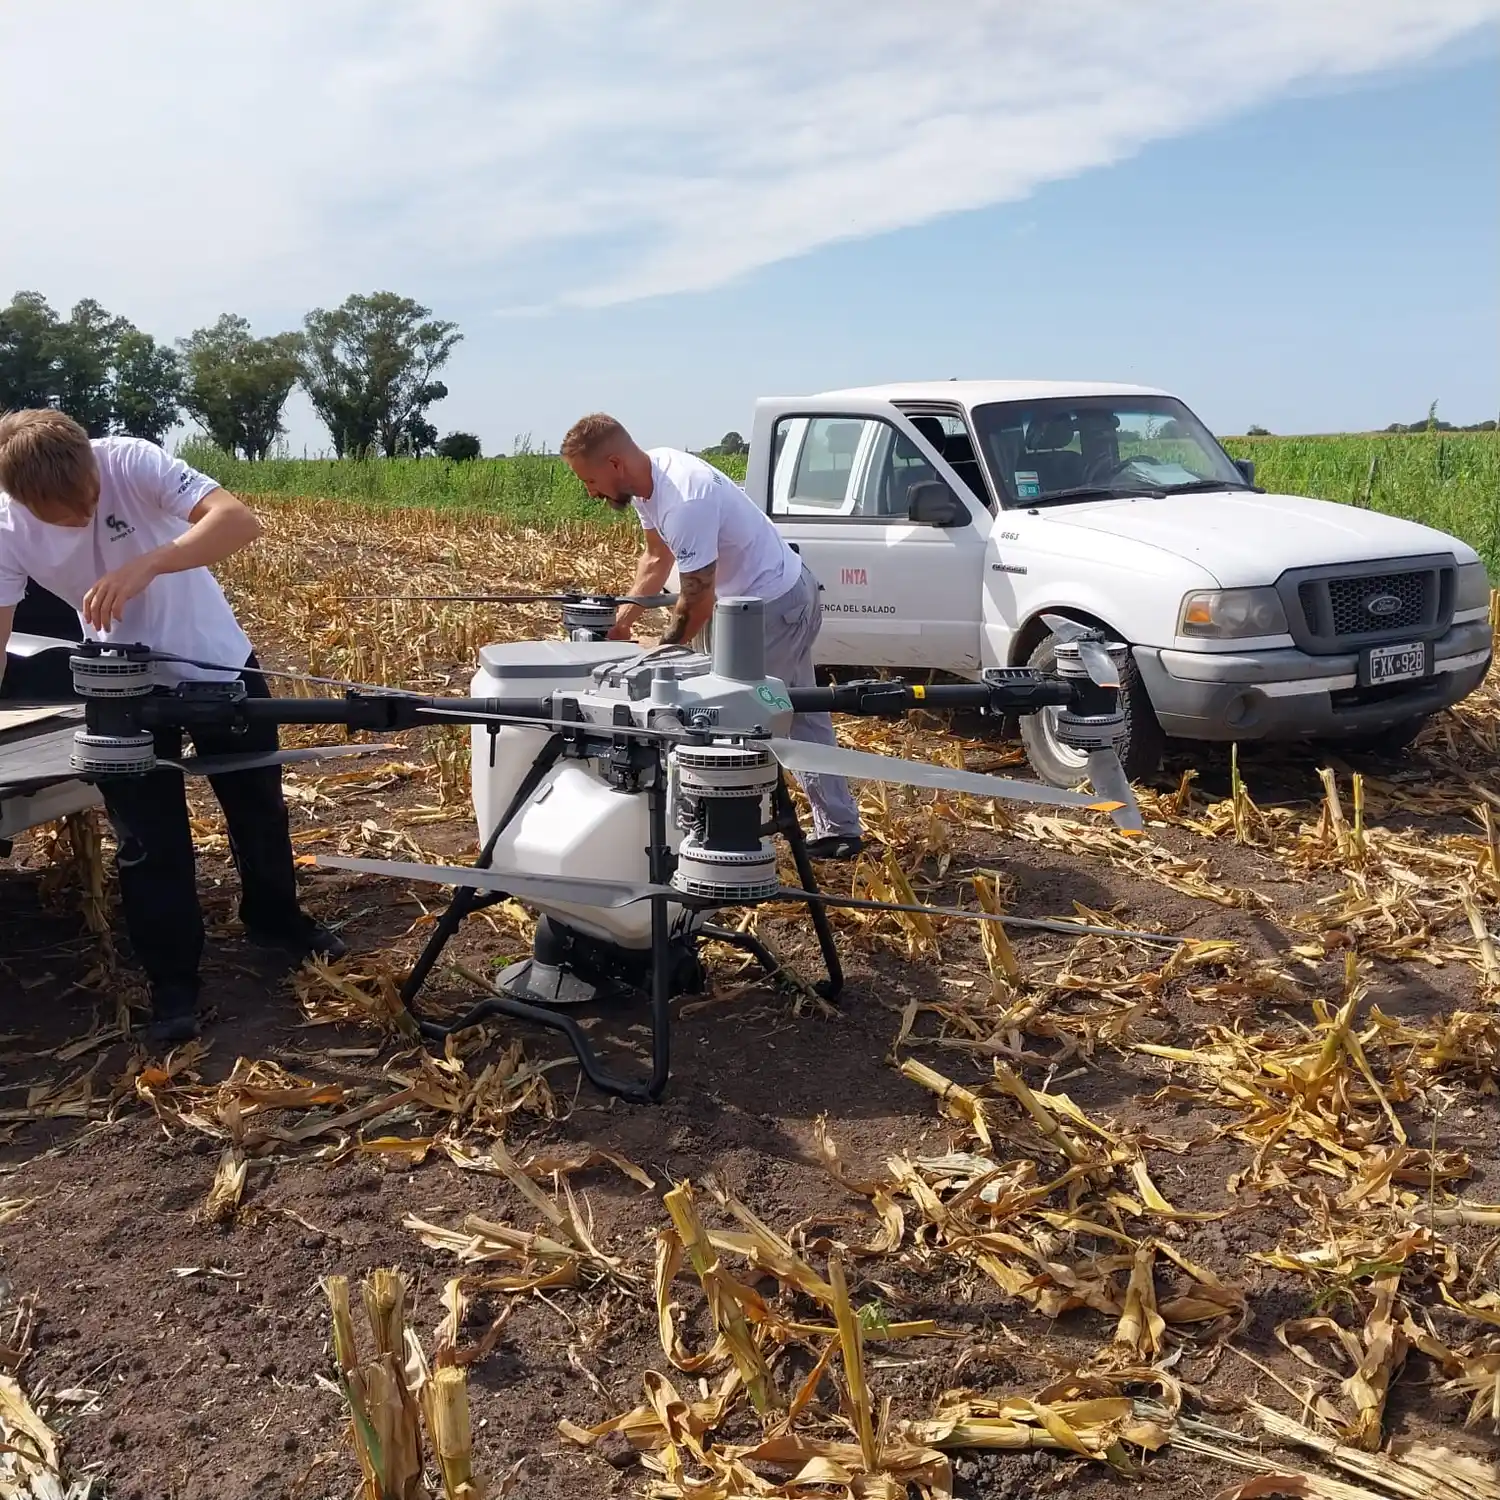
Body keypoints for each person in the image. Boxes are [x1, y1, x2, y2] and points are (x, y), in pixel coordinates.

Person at [0, 409, 345, 1044]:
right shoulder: (5, 526)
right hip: (118, 687)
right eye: (59, 514)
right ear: (21, 499)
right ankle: (173, 980)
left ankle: (276, 922)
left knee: (257, 806)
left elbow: (239, 521)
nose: (80, 520)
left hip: (215, 658)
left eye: (87, 502)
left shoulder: (131, 460)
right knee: (149, 839)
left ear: (91, 462)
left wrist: (150, 564)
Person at [559, 412, 865, 860]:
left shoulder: (684, 499)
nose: (589, 492)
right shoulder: (650, 480)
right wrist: (622, 622)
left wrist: (660, 653)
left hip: (770, 607)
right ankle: (838, 828)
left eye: (589, 480)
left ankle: (732, 843)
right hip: (761, 600)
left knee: (742, 717)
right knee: (797, 712)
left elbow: (696, 602)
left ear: (614, 464)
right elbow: (655, 558)